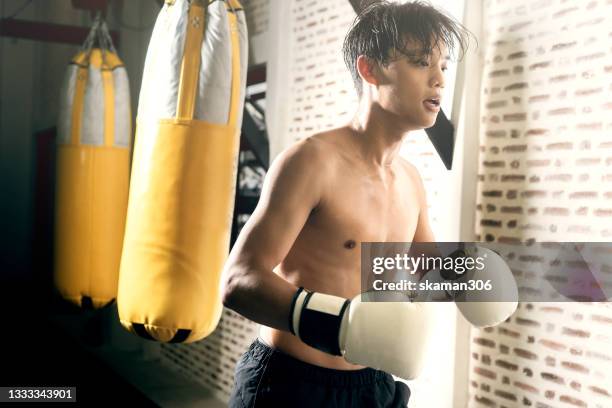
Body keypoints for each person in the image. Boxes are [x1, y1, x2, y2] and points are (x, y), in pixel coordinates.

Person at [221, 1, 472, 406]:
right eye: (421, 62)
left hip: (372, 385)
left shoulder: (409, 179)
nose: (438, 79)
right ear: (369, 69)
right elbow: (238, 281)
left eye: (443, 66)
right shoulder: (312, 161)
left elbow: (432, 269)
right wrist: (339, 325)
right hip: (291, 384)